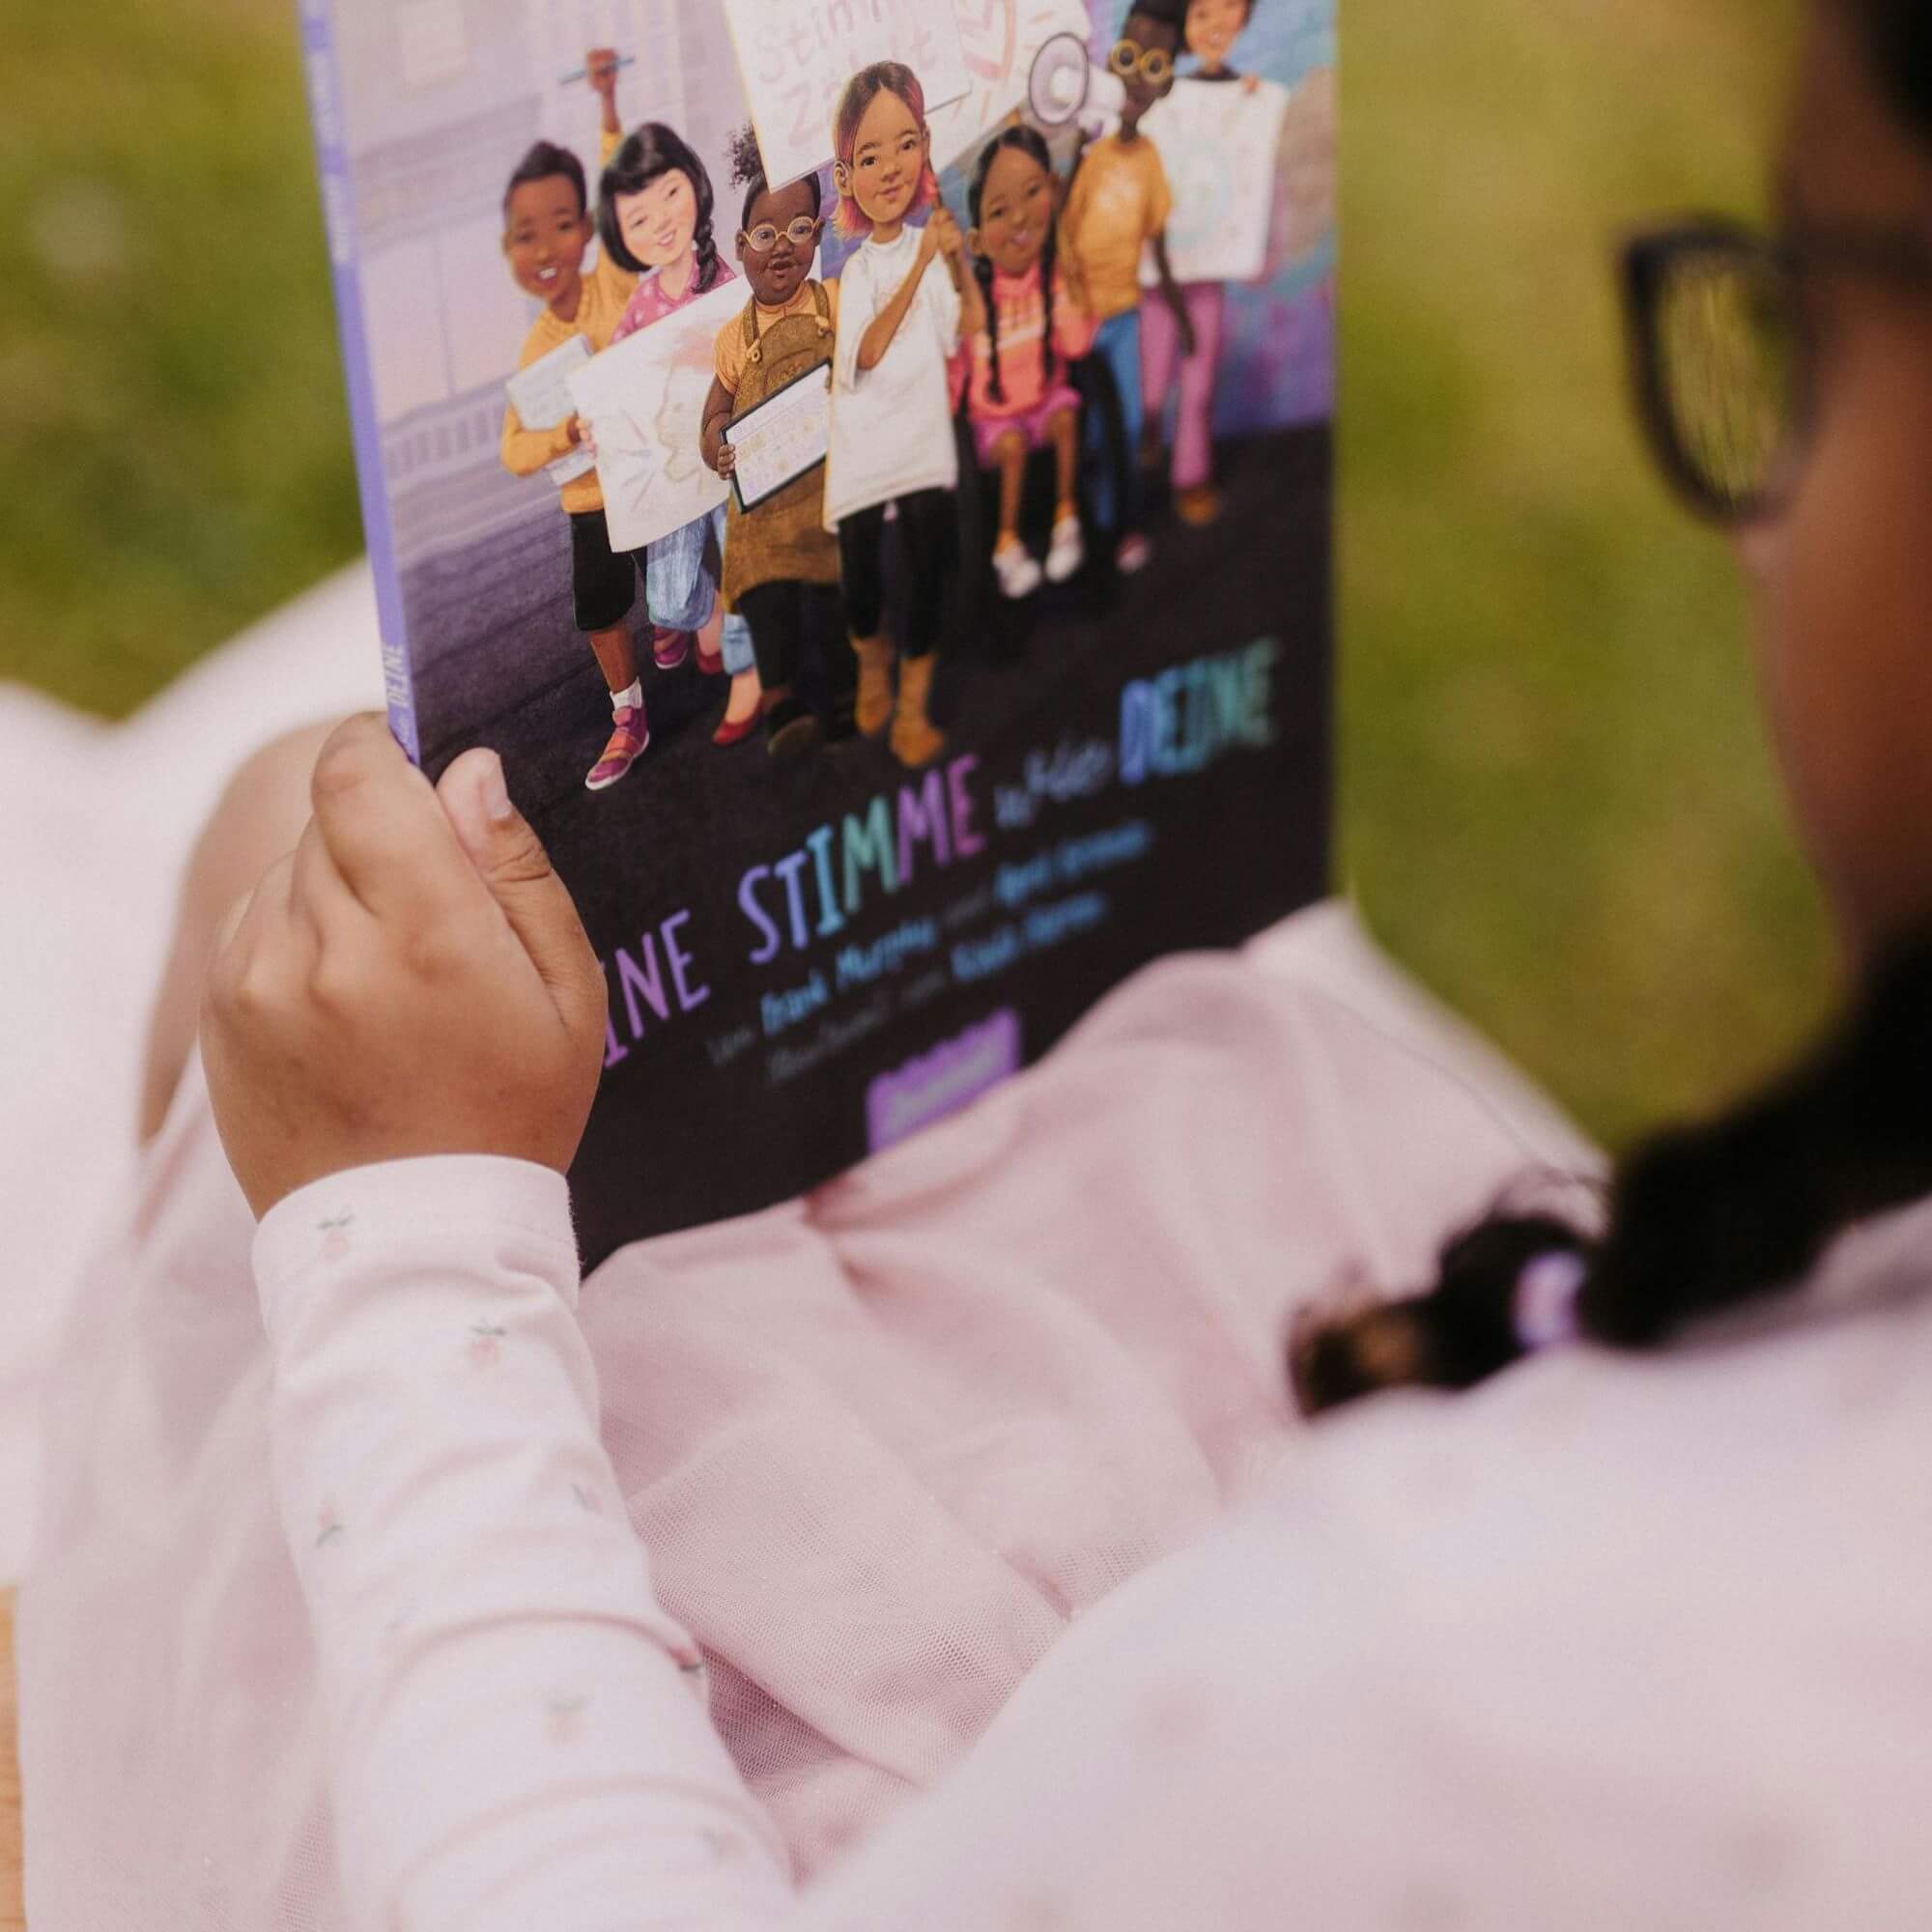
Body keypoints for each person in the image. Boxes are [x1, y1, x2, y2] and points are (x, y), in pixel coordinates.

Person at [23, 2, 1932, 1925]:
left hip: (668, 1698)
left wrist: (398, 1252)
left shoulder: (1438, 1706)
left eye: (1800, 328)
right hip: (1121, 1233)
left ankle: (157, 1433)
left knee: (299, 846)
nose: (1763, 521)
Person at [822, 61, 985, 768]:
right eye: (869, 155)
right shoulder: (856, 272)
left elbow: (965, 327)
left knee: (928, 572)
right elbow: (869, 353)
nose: (890, 168)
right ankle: (871, 657)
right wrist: (921, 262)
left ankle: (913, 706)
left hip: (921, 441)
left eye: (905, 144)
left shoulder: (932, 242)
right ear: (845, 174)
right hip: (862, 451)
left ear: (925, 144)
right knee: (861, 579)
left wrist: (959, 263)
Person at [495, 50, 649, 793]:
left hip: (654, 468)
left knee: (686, 582)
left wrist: (608, 104)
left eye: (562, 224)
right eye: (527, 235)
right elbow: (514, 450)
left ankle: (702, 632)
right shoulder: (534, 352)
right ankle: (628, 714)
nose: (546, 247)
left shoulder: (613, 282)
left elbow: (622, 182)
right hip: (592, 499)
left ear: (588, 229)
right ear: (509, 253)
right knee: (599, 608)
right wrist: (560, 437)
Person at [597, 124, 766, 749]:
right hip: (672, 474)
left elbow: (752, 346)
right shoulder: (640, 305)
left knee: (744, 562)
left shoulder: (722, 281)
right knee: (667, 603)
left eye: (671, 195)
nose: (661, 222)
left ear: (693, 185)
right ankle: (713, 612)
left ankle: (747, 672)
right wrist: (601, 425)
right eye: (637, 219)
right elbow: (615, 384)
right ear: (621, 235)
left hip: (727, 454)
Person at [699, 129, 854, 757]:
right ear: (741, 249)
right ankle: (781, 701)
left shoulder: (833, 305)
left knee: (831, 595)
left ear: (817, 235)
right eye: (765, 235)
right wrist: (716, 443)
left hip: (826, 493)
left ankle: (845, 697)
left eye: (797, 230)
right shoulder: (735, 340)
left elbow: (861, 369)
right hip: (762, 510)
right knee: (769, 603)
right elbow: (714, 413)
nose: (782, 248)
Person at [1058, 1, 1196, 573]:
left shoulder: (1150, 162)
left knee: (1133, 423)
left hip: (1126, 315)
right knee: (1090, 426)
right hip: (1082, 317)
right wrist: (1072, 304)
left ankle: (1125, 524)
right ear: (1112, 61)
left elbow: (1157, 244)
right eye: (1129, 57)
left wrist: (1182, 316)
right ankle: (1096, 521)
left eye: (1156, 67)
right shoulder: (1087, 153)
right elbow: (1063, 235)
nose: (1139, 77)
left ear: (1166, 85)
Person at [1139, 0, 1265, 527]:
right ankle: (1147, 444)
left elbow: (1247, 170)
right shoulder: (1160, 97)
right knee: (1151, 384)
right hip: (1156, 270)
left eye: (1228, 12)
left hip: (1206, 271)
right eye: (1203, 14)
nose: (1216, 27)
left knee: (1199, 382)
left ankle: (1191, 473)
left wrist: (1254, 110)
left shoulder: (1247, 97)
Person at [958, 126, 1097, 599]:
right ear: (976, 240)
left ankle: (1065, 520)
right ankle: (1007, 545)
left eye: (1033, 193)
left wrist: (1071, 272)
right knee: (1013, 448)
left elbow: (1076, 344)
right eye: (999, 211)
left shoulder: (1052, 279)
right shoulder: (977, 302)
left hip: (1046, 398)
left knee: (1065, 417)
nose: (1019, 218)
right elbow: (956, 370)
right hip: (997, 420)